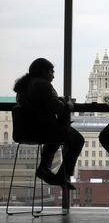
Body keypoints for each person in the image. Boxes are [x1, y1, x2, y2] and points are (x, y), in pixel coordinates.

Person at [13, 58, 84, 190]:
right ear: (43, 71)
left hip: (26, 132)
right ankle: (61, 175)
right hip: (43, 130)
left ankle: (44, 168)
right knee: (78, 140)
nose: (53, 75)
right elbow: (57, 108)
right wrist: (68, 104)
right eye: (51, 71)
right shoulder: (43, 85)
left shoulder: (22, 88)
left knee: (59, 134)